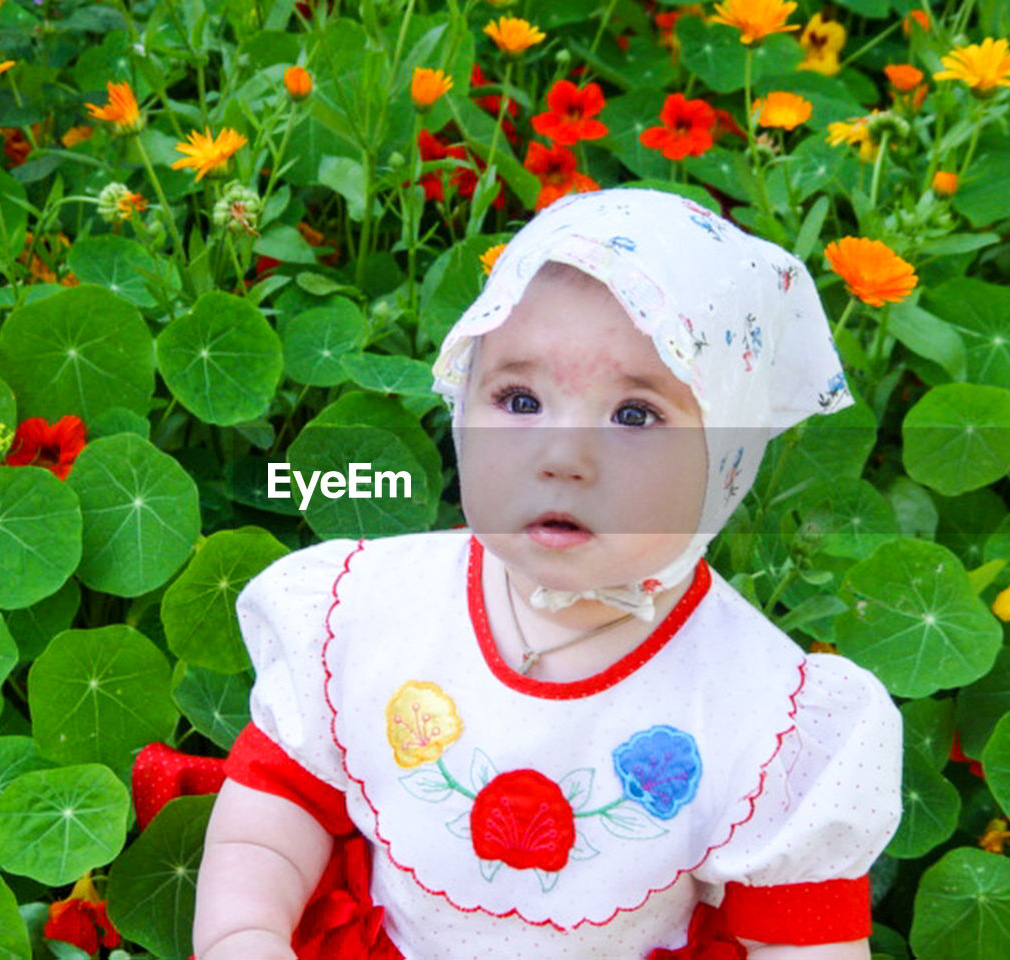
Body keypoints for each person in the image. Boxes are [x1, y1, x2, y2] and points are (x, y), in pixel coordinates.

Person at [192, 189, 903, 960]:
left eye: (634, 415)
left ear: (726, 465)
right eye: (520, 399)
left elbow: (804, 941)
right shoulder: (365, 609)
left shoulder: (766, 711)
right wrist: (245, 932)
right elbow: (280, 804)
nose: (562, 456)